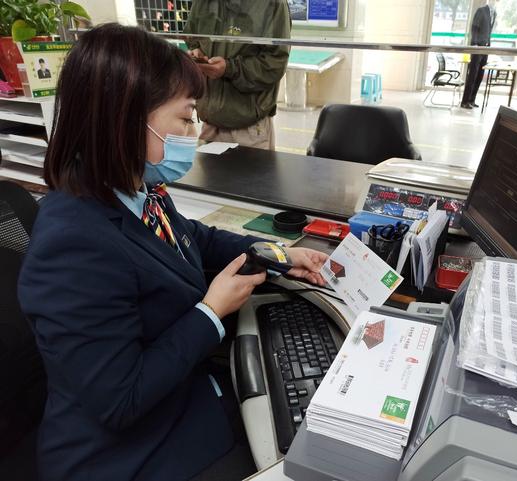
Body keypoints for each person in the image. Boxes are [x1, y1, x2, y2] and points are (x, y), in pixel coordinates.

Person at [18, 23, 327, 481]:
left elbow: (194, 239)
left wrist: (276, 253)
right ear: (126, 119)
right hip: (126, 454)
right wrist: (211, 311)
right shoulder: (73, 244)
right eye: (185, 117)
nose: (193, 131)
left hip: (181, 398)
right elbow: (120, 400)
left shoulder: (137, 191)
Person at [183, 0, 291, 150]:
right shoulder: (203, 2)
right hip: (210, 123)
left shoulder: (272, 4)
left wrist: (230, 68)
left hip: (248, 128)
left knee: (249, 167)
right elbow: (192, 36)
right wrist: (197, 52)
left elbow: (275, 62)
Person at [460, 0, 497, 109]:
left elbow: (489, 30)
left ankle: (472, 100)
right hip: (478, 47)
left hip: (486, 47)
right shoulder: (481, 11)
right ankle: (465, 101)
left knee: (480, 75)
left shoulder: (494, 13)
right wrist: (475, 43)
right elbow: (474, 27)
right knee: (472, 74)